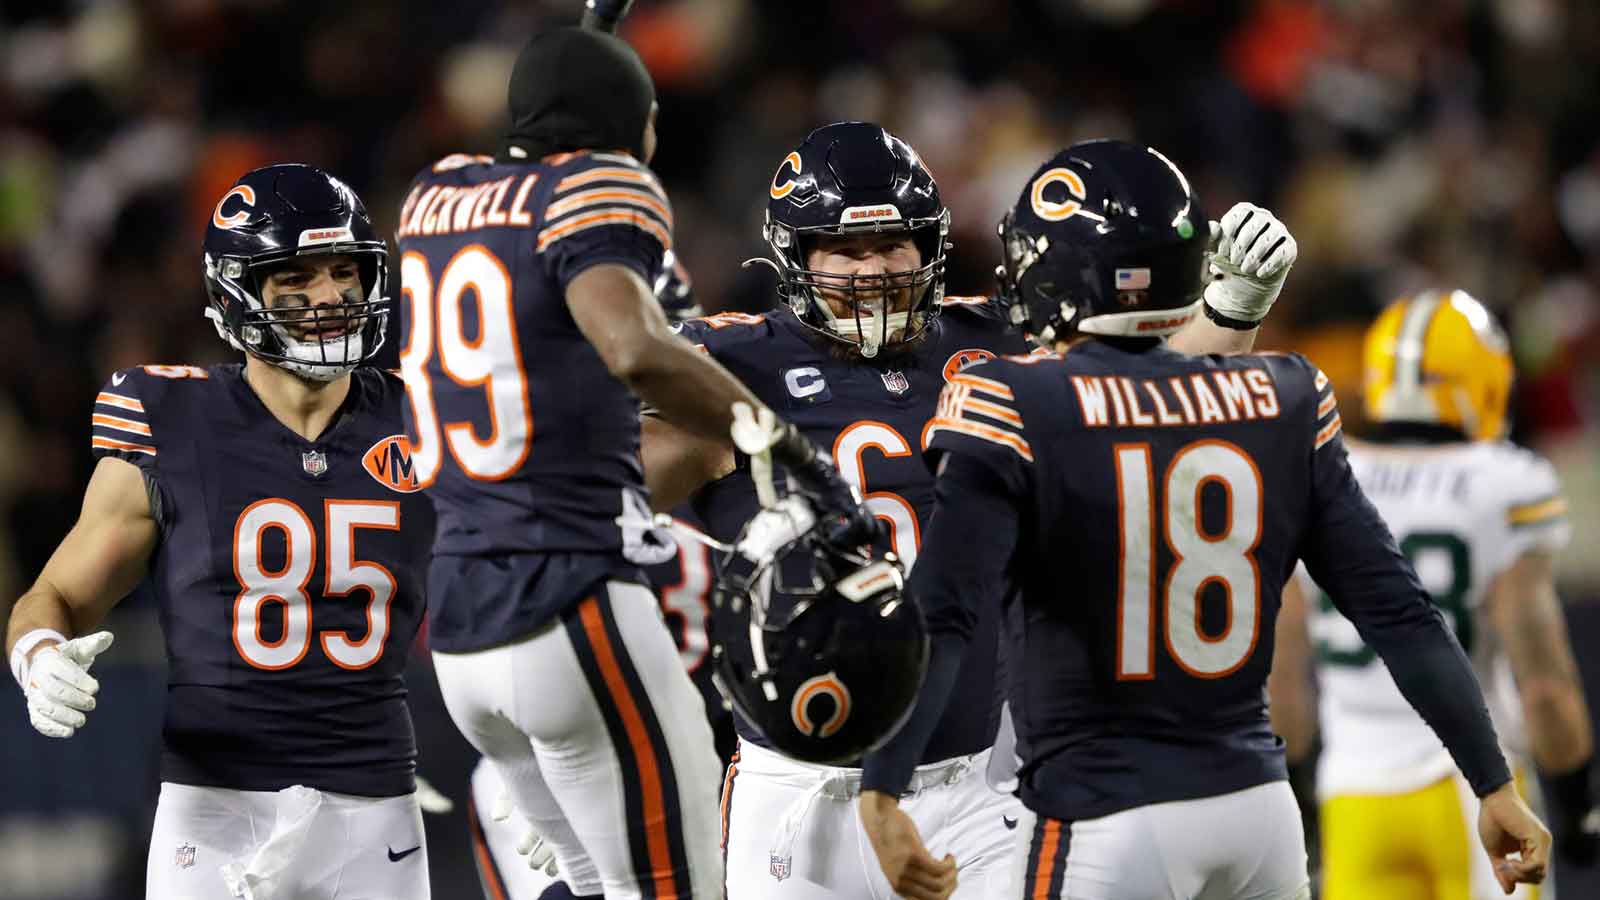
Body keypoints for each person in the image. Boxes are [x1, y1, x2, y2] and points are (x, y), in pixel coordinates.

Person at [859, 139, 1553, 900]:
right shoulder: (1285, 394)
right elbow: (1397, 611)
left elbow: (945, 613)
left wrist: (883, 786)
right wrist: (1491, 781)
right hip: (1257, 813)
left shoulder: (1012, 402)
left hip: (1105, 814)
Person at [641, 121, 1300, 899]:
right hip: (798, 794)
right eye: (846, 251)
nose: (875, 269)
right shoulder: (733, 364)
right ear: (798, 258)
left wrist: (1229, 306)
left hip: (973, 786)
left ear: (932, 248)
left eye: (895, 245)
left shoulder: (994, 339)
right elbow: (591, 497)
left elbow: (1150, 402)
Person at [393, 27, 869, 900]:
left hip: (461, 624)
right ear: (632, 123)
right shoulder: (603, 184)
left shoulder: (435, 196)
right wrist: (777, 437)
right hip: (570, 602)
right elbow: (635, 348)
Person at [5, 164, 437, 900]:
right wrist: (39, 653)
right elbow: (53, 594)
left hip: (375, 809)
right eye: (297, 276)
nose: (330, 296)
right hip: (214, 808)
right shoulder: (171, 420)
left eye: (344, 271)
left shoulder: (427, 418)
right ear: (238, 291)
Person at [1267, 288, 1598, 900]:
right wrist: (1578, 806)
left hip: (1353, 798)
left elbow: (1283, 680)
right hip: (1473, 790)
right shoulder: (1504, 481)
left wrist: (1296, 802)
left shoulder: (1321, 472)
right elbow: (1546, 684)